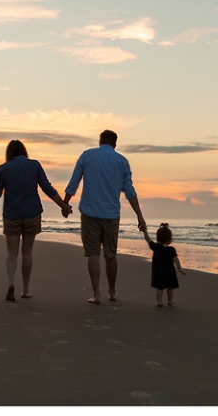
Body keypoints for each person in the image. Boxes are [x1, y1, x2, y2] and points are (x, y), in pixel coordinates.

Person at [63, 129, 146, 304]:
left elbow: (74, 181)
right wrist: (140, 216)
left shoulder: (87, 155)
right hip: (111, 214)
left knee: (93, 253)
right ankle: (113, 291)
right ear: (115, 144)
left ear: (100, 142)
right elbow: (130, 191)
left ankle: (96, 294)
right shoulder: (122, 161)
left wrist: (65, 203)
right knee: (110, 254)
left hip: (90, 212)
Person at [0, 140, 72, 301]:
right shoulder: (34, 165)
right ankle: (25, 289)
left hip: (11, 214)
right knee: (27, 251)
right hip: (32, 213)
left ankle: (11, 282)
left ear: (9, 153)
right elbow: (47, 188)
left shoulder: (3, 169)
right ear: (24, 151)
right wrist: (63, 206)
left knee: (11, 252)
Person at [143, 222, 187, 307]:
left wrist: (145, 231)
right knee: (170, 287)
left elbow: (147, 239)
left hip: (158, 272)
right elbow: (176, 259)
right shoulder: (171, 249)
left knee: (159, 288)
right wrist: (179, 269)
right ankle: (170, 300)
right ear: (170, 239)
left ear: (158, 238)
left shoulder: (156, 247)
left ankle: (159, 302)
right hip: (169, 273)